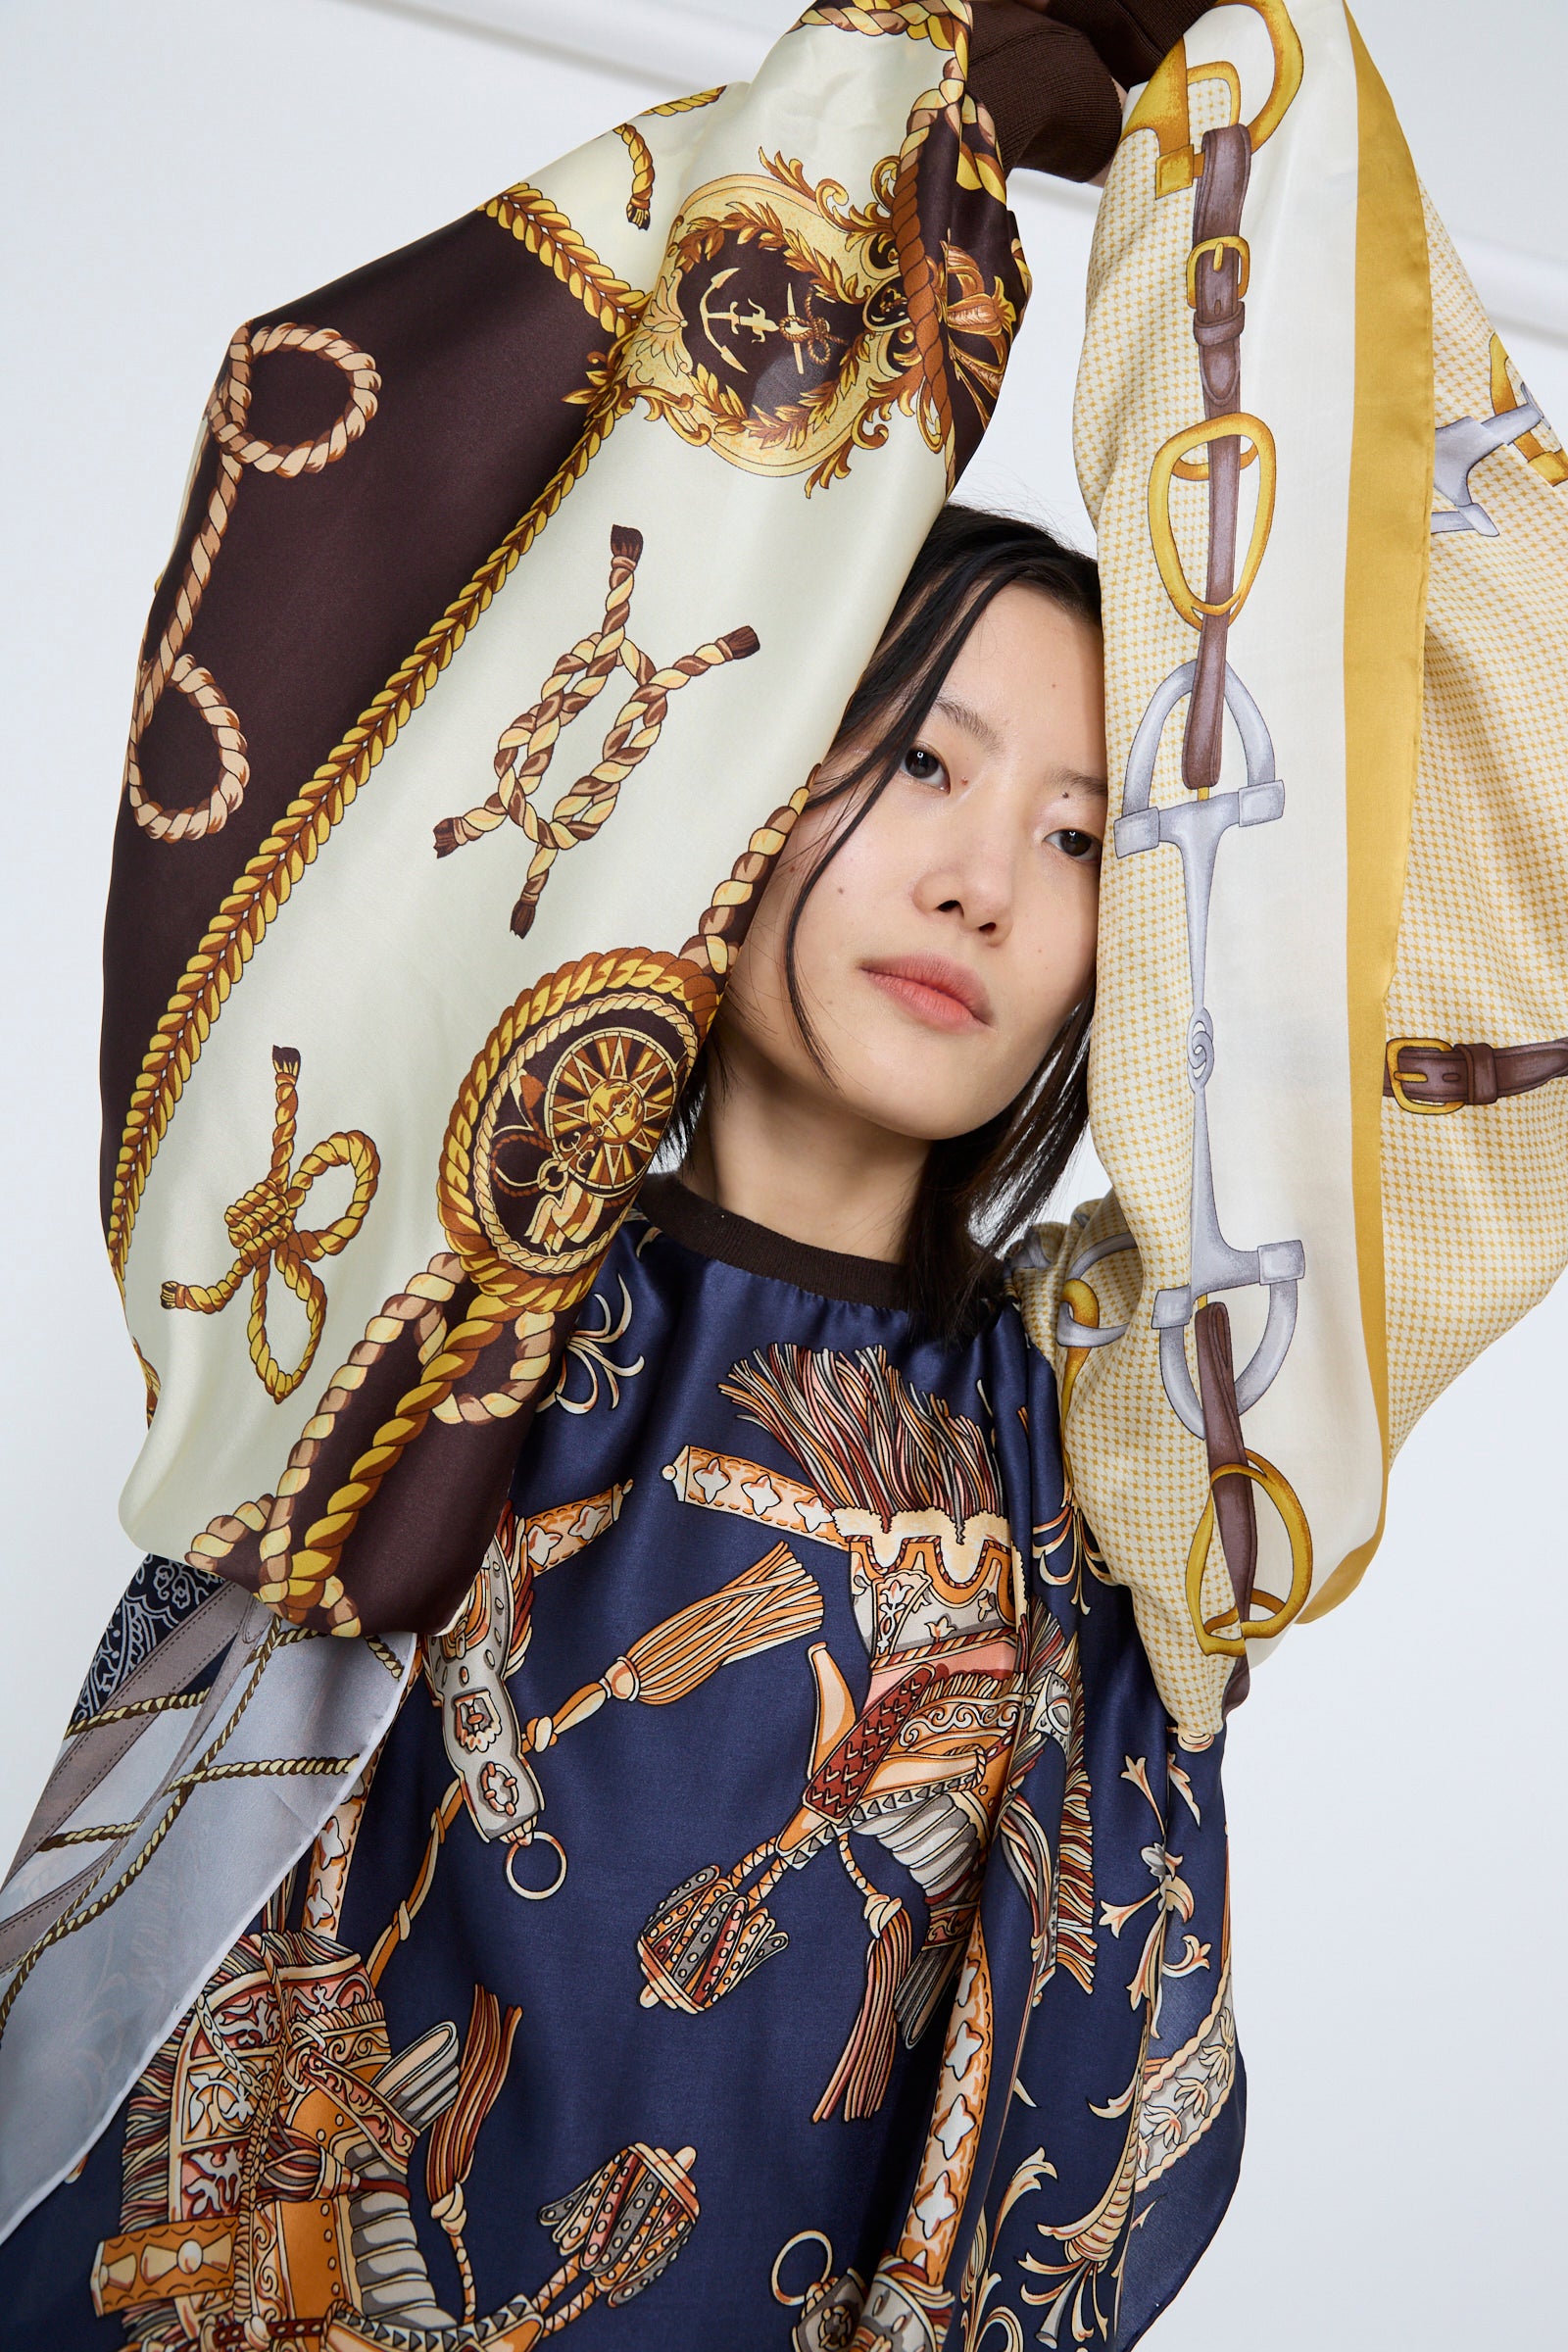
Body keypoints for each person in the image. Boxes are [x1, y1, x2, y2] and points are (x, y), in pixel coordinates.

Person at [0, 507, 1238, 2346]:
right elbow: (323, 589)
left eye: (1080, 838)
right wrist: (866, 252)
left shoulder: (1120, 1415)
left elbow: (1470, 992)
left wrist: (1242, 267)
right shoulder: (440, 1286)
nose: (987, 882)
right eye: (918, 763)